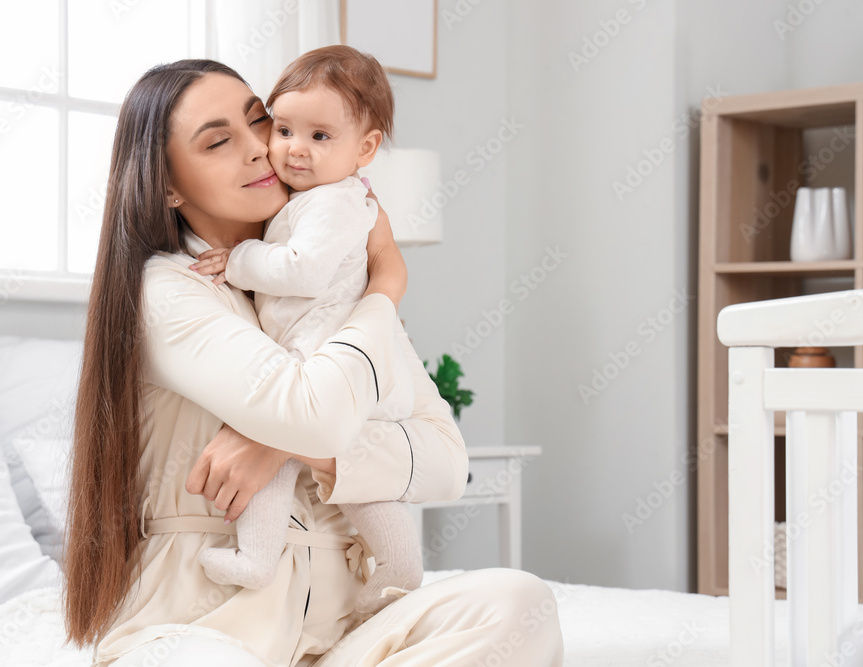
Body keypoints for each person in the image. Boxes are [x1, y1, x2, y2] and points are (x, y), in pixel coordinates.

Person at [61, 58, 564, 667]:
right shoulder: (166, 291)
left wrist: (281, 445)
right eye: (220, 141)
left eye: (261, 125)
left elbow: (446, 461)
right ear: (167, 184)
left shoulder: (333, 286)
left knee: (518, 603)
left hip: (345, 635)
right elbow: (314, 414)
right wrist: (387, 289)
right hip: (206, 631)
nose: (262, 151)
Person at [189, 45, 420, 617]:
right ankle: (265, 557)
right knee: (309, 461)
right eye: (284, 128)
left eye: (320, 137)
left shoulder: (339, 204)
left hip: (331, 358)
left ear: (364, 149)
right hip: (320, 355)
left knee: (340, 469)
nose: (293, 148)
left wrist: (238, 258)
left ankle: (389, 564)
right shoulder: (314, 199)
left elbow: (305, 270)